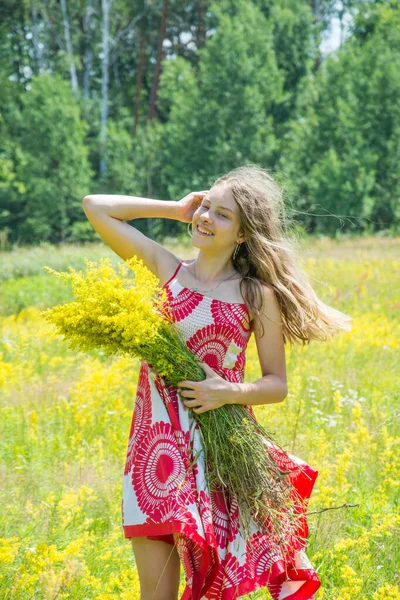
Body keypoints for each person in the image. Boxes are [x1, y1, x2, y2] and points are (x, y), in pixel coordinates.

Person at [82, 164, 352, 600]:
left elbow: (275, 384)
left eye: (223, 215)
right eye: (206, 206)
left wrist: (224, 391)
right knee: (155, 595)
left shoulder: (254, 294)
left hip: (218, 455)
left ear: (244, 234)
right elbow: (96, 207)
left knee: (213, 587)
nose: (207, 217)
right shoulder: (166, 270)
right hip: (154, 453)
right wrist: (177, 209)